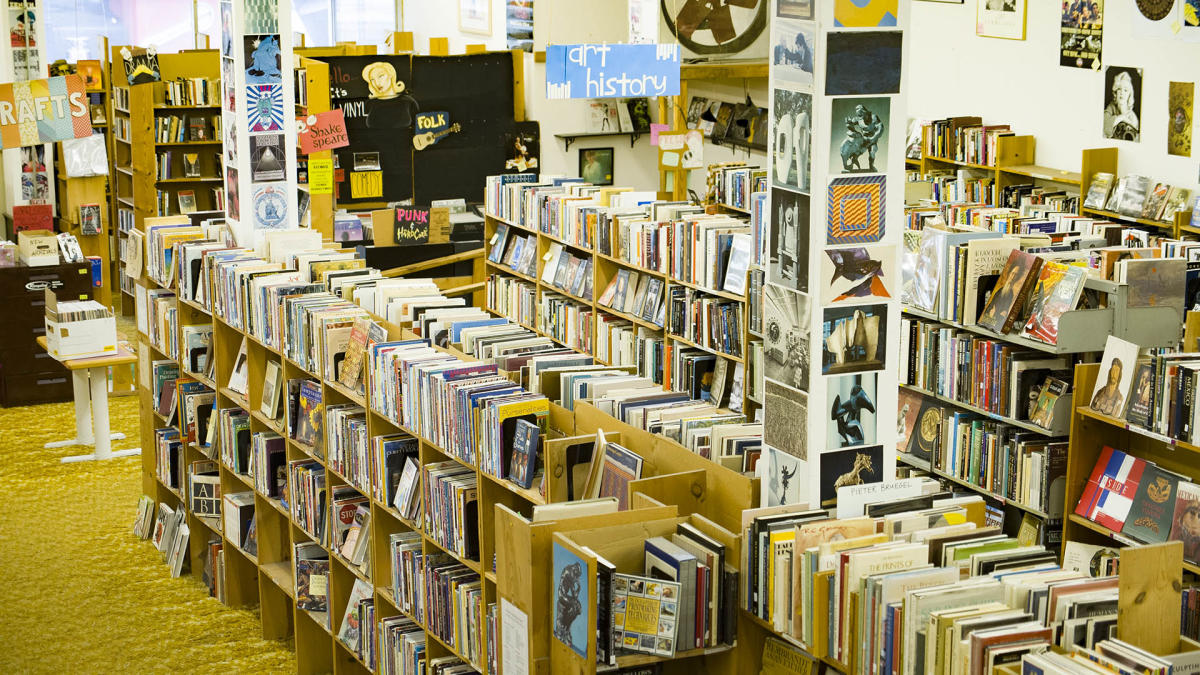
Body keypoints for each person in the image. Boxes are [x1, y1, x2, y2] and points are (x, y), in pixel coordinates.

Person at [361, 61, 419, 129]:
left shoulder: (409, 102)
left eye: (380, 76)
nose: (377, 83)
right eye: (372, 79)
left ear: (390, 75)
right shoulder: (369, 104)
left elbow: (418, 129)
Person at [1103, 70, 1140, 141]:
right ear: (1115, 92)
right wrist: (1121, 117)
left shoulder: (1132, 117)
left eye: (1125, 90)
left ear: (1129, 95)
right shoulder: (1111, 107)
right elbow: (1105, 128)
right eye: (1119, 89)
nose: (1122, 93)